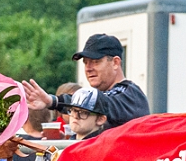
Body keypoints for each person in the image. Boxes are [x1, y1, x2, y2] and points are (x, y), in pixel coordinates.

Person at [22, 34, 150, 128]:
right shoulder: (104, 97)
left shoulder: (131, 95)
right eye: (85, 63)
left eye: (96, 61)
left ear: (115, 63)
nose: (88, 68)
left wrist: (52, 101)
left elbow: (97, 102)